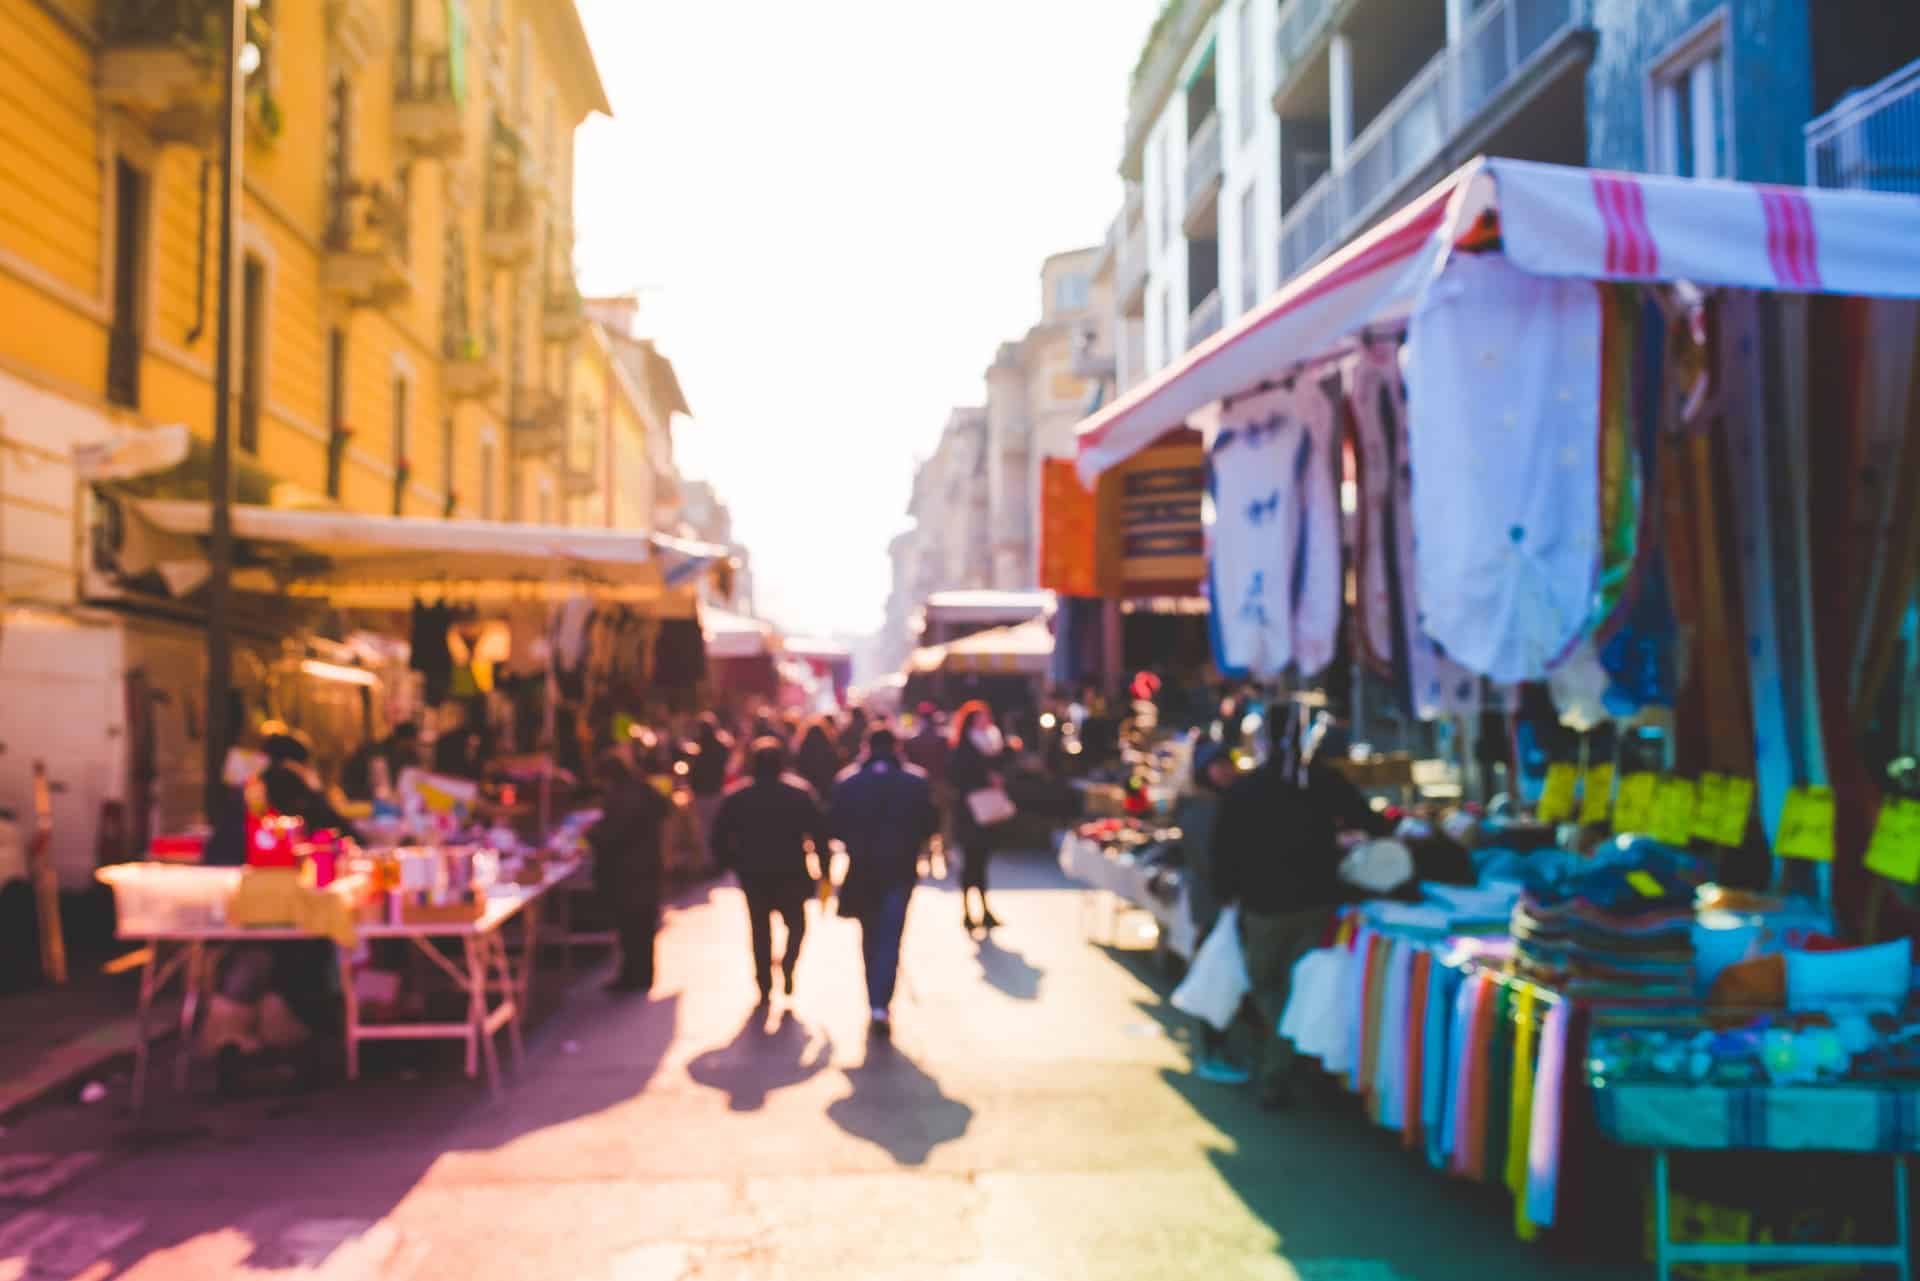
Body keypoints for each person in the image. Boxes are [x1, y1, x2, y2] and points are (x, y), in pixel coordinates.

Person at [1210, 710, 1388, 1109]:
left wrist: (1226, 892)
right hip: (1315, 902)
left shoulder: (1248, 788)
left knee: (1271, 985)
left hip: (1266, 906)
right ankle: (1290, 1064)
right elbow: (1372, 822)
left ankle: (1279, 1068)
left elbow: (1223, 849)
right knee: (1299, 986)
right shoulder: (1322, 782)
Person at [827, 726, 939, 1036]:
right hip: (900, 868)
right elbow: (931, 823)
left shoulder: (848, 781)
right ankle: (881, 1002)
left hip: (862, 869)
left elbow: (834, 825)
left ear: (866, 746)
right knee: (891, 936)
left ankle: (874, 998)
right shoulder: (915, 781)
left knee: (870, 936)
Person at [709, 738, 826, 1003]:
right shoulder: (799, 793)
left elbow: (718, 837)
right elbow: (819, 832)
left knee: (760, 929)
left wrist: (730, 863)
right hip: (791, 871)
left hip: (753, 873)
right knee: (797, 925)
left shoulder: (738, 797)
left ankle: (764, 984)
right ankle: (787, 966)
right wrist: (824, 867)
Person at [1176, 740, 1252, 1085]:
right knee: (1215, 974)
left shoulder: (1219, 804)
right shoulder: (1200, 808)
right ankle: (1213, 1051)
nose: (1226, 771)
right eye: (1218, 766)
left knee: (1219, 972)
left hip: (1220, 903)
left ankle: (1219, 1047)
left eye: (1228, 764)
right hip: (1215, 905)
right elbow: (1210, 859)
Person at [587, 745, 673, 994]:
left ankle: (632, 975)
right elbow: (664, 809)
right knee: (643, 925)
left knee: (631, 925)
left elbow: (613, 834)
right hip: (647, 866)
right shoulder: (642, 789)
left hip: (628, 872)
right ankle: (643, 974)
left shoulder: (622, 796)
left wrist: (592, 834)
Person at [947, 700, 1010, 933]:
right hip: (969, 811)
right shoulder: (963, 748)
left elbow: (1001, 765)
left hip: (986, 811)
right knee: (970, 861)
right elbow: (958, 778)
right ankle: (967, 911)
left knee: (981, 861)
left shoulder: (993, 744)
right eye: (980, 718)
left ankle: (983, 909)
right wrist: (985, 781)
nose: (986, 722)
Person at [339, 720, 420, 803]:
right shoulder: (379, 753)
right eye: (413, 743)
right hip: (364, 799)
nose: (414, 747)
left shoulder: (387, 750)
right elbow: (381, 789)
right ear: (406, 740)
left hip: (366, 798)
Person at [793, 717, 843, 803]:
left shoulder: (803, 750)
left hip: (809, 788)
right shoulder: (830, 749)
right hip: (827, 789)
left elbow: (799, 768)